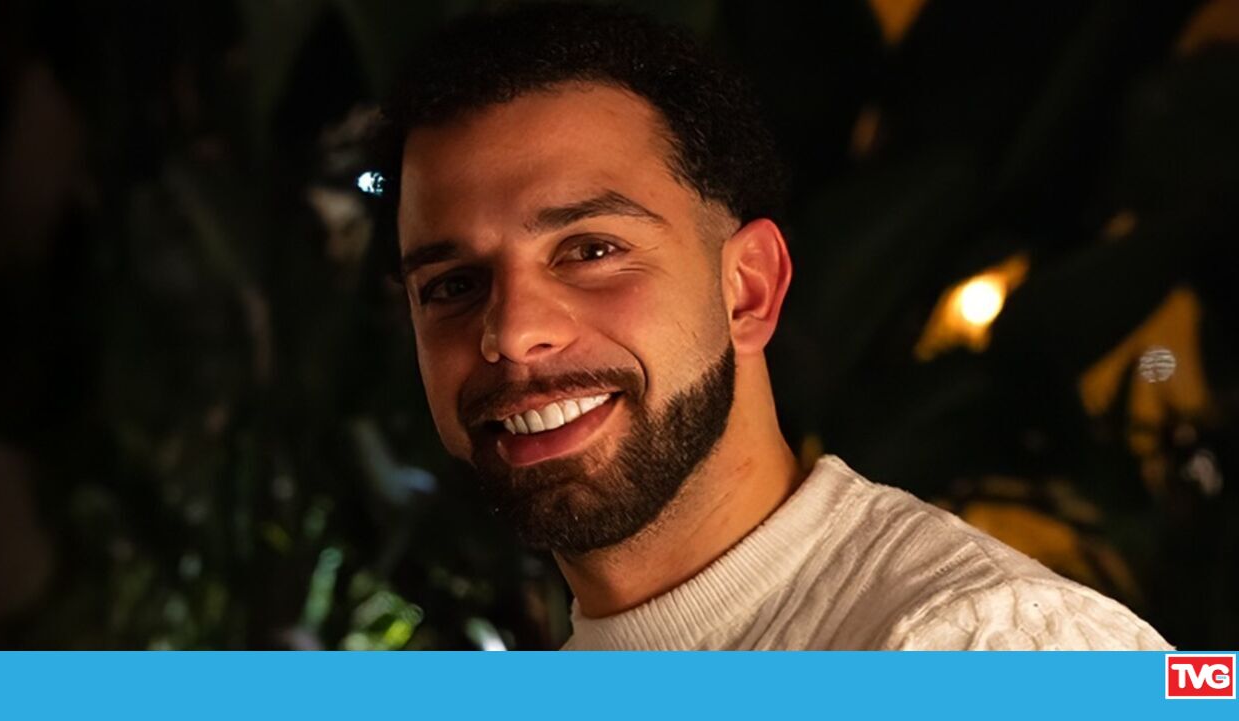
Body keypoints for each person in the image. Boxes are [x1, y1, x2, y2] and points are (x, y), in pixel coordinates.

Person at [375, 3, 1171, 650]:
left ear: (748, 289)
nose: (512, 333)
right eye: (452, 285)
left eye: (591, 250)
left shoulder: (980, 644)